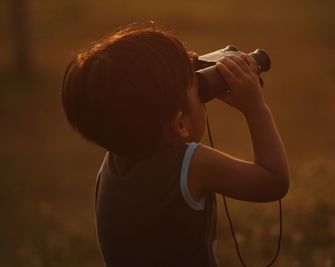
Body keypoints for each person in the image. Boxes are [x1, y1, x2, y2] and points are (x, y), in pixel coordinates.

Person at [61, 24, 289, 267]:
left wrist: (180, 71)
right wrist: (254, 108)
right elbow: (273, 181)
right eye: (195, 85)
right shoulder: (191, 164)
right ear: (180, 123)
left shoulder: (113, 162)